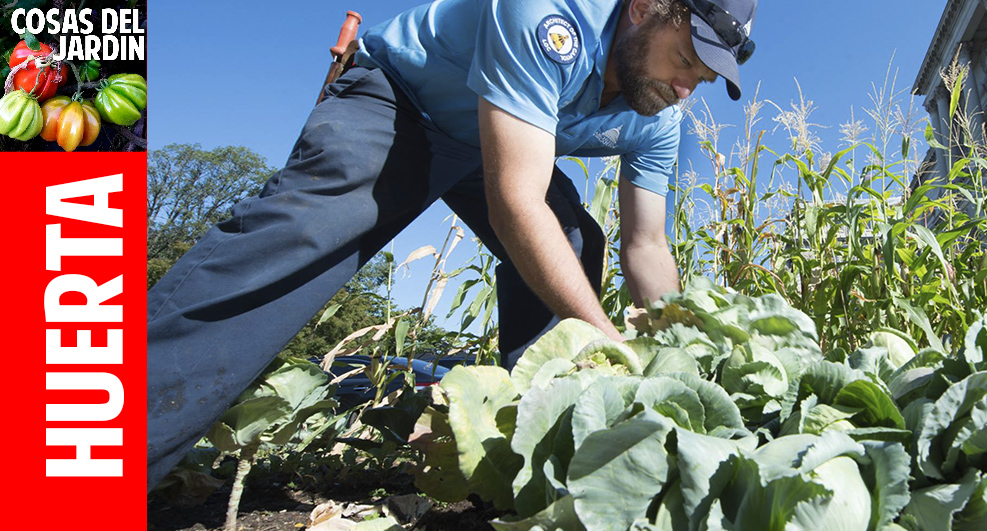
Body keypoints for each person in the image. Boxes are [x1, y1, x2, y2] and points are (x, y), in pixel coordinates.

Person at [145, 0, 758, 490]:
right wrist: (605, 335)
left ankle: (532, 463)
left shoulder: (659, 115)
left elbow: (648, 246)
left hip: (499, 143)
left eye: (701, 78)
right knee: (301, 239)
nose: (685, 87)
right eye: (684, 58)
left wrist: (682, 353)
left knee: (572, 243)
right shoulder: (549, 15)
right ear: (644, 8)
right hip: (402, 103)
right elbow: (516, 201)